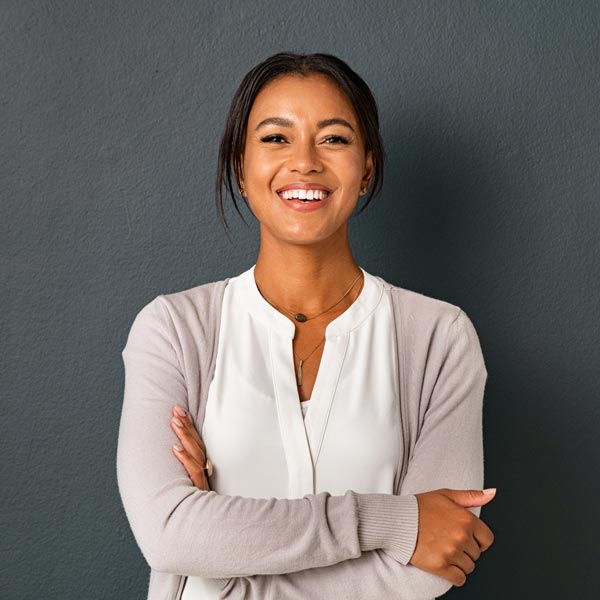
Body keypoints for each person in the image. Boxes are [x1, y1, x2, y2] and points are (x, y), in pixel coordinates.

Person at [117, 52, 495, 600]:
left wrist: (219, 567)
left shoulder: (439, 339)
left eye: (334, 139)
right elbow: (169, 535)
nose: (305, 162)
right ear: (240, 168)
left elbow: (425, 572)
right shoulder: (173, 331)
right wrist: (389, 522)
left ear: (366, 168)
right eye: (275, 138)